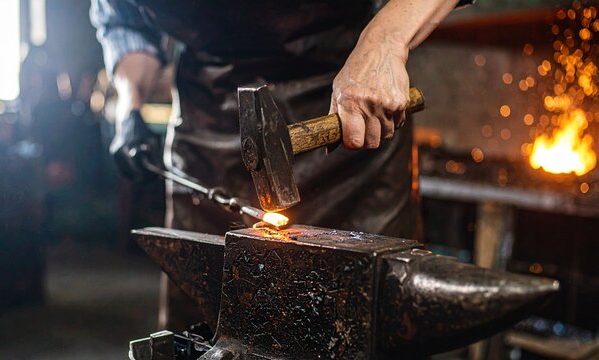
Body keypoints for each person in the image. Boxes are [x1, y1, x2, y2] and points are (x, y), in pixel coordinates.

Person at [91, 0, 473, 330]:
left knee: (366, 318)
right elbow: (126, 21)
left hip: (350, 116)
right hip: (209, 126)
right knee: (204, 326)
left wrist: (384, 42)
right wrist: (129, 106)